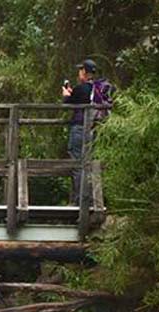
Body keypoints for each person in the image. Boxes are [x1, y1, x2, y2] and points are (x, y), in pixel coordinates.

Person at [61, 59, 100, 206]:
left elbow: (67, 104)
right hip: (92, 129)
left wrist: (66, 95)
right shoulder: (96, 89)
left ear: (84, 71)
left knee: (77, 163)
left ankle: (80, 201)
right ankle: (90, 199)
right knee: (88, 162)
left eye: (80, 70)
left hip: (79, 128)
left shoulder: (81, 88)